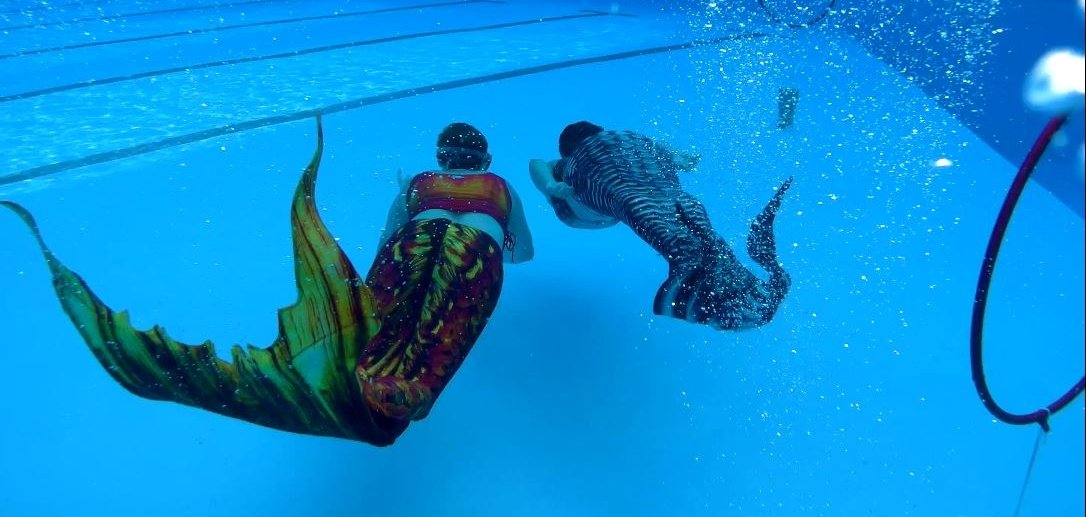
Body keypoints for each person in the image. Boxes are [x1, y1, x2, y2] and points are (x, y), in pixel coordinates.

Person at [1, 115, 533, 447]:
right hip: (478, 256)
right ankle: (391, 393)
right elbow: (524, 254)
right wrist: (491, 245)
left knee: (376, 333)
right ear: (485, 161)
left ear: (440, 160)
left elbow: (385, 244)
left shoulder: (418, 182)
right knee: (433, 349)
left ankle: (351, 379)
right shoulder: (502, 187)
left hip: (411, 243)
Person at [528, 121, 792, 331]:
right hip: (665, 191)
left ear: (568, 148)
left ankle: (710, 295)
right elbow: (664, 149)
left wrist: (551, 186)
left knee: (642, 212)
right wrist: (679, 157)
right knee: (696, 225)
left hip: (609, 199)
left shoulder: (571, 160)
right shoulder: (633, 138)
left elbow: (537, 164)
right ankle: (748, 289)